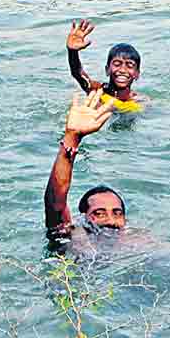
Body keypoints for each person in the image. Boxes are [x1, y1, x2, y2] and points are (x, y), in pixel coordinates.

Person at [45, 89, 127, 245]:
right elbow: (55, 204)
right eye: (99, 213)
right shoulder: (74, 237)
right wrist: (72, 136)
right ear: (83, 218)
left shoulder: (139, 243)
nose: (110, 221)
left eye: (117, 213)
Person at [67, 19, 146, 113]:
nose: (122, 70)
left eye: (129, 65)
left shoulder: (140, 101)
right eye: (117, 64)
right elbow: (78, 74)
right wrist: (72, 52)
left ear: (137, 74)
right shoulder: (98, 91)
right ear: (107, 70)